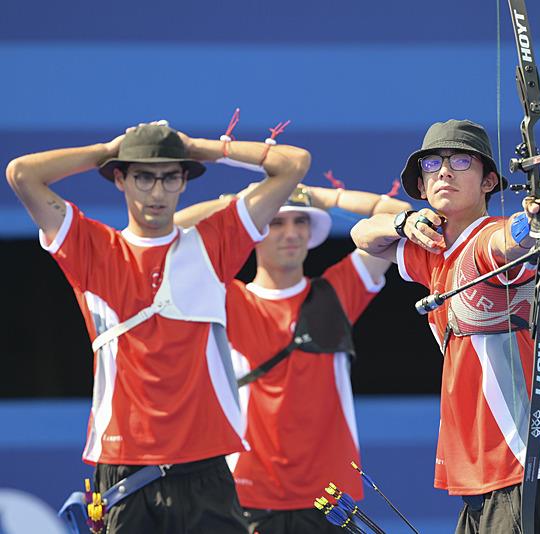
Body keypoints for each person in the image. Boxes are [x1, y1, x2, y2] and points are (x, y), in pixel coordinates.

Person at [5, 122, 311, 533]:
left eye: (170, 178)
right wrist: (109, 149)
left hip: (206, 465)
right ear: (120, 179)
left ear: (185, 181)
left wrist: (198, 148)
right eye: (143, 177)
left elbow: (294, 163)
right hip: (125, 470)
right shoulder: (92, 248)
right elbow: (21, 173)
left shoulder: (213, 242)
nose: (157, 192)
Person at [350, 119, 540, 533]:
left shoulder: (486, 239)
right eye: (432, 164)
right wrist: (404, 223)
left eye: (460, 161)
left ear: (489, 181)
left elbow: (511, 240)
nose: (444, 171)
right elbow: (363, 234)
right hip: (480, 472)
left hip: (523, 466)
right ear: (421, 187)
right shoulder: (434, 251)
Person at [175, 183, 412, 533]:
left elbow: (399, 217)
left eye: (300, 221)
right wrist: (242, 204)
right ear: (254, 231)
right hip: (248, 494)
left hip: (331, 499)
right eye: (275, 222)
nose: (291, 233)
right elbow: (169, 239)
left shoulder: (338, 292)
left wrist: (326, 198)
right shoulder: (227, 298)